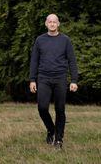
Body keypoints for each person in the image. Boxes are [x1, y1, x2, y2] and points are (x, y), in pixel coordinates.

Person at [29, 14, 78, 149]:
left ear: (58, 24)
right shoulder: (40, 40)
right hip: (43, 78)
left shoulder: (65, 40)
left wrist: (74, 80)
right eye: (49, 22)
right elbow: (34, 61)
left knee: (60, 109)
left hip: (60, 78)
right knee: (42, 107)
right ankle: (51, 129)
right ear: (46, 24)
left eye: (54, 22)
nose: (52, 24)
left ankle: (59, 140)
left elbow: (72, 61)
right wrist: (32, 79)